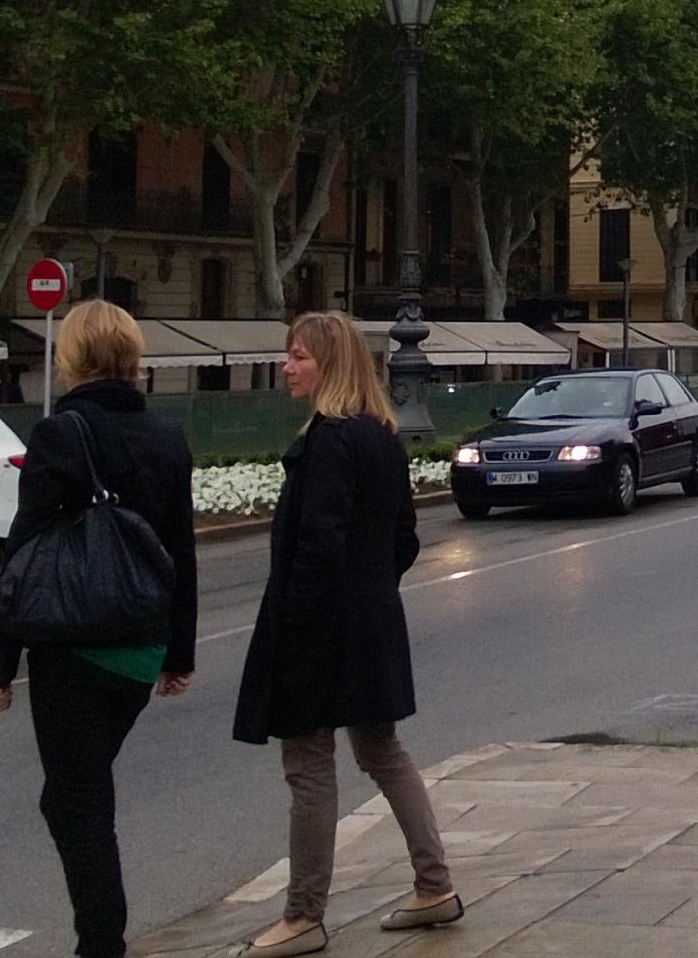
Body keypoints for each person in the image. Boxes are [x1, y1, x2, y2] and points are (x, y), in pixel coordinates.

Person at [234, 311, 459, 955]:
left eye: (299, 357)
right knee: (382, 751)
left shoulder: (330, 440)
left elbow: (319, 546)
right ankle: (434, 885)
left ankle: (303, 915)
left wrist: (297, 628)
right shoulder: (381, 437)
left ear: (329, 365)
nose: (287, 367)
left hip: (320, 628)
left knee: (308, 764)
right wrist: (371, 590)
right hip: (371, 621)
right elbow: (405, 539)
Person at [0, 299, 199, 958]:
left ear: (70, 356)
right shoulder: (167, 437)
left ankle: (101, 944)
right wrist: (178, 651)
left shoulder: (59, 434)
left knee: (79, 805)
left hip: (74, 645)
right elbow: (180, 549)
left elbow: (25, 550)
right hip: (140, 647)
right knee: (76, 797)